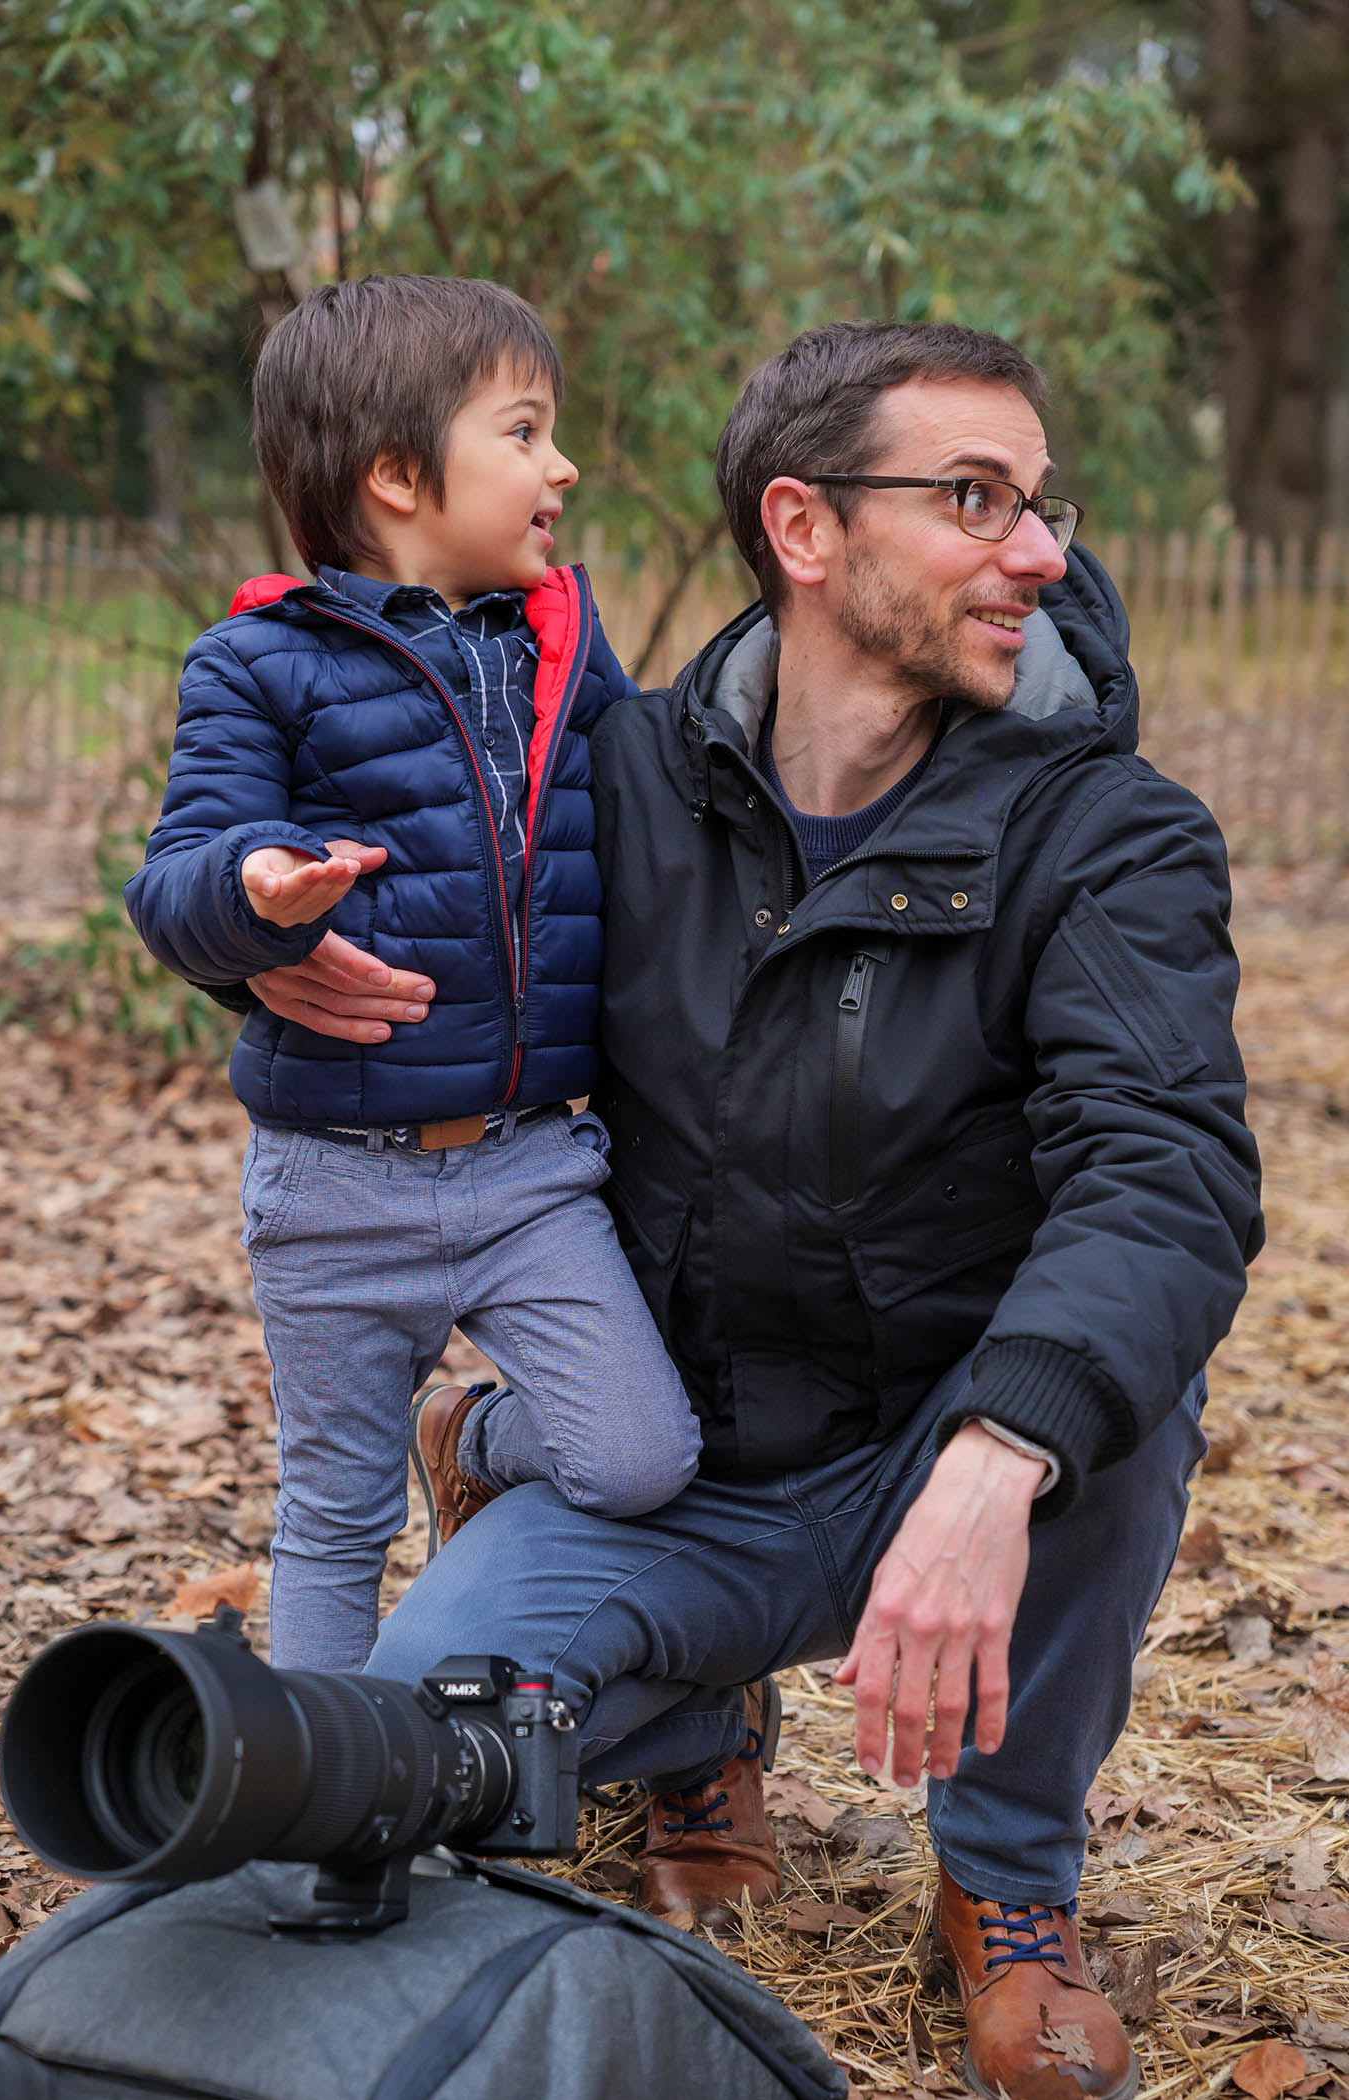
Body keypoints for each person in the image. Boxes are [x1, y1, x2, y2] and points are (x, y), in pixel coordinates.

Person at [244, 320, 1262, 2100]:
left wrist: (994, 1456)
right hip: (678, 1455)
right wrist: (267, 953)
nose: (1043, 551)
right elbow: (411, 899)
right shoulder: (616, 779)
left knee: (1118, 1400)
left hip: (934, 1460)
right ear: (804, 529)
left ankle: (1010, 1880)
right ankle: (683, 1711)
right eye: (974, 498)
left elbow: (1168, 1167)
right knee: (419, 1752)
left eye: (1041, 502)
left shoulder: (1106, 834)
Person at [124, 274, 700, 1675]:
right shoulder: (263, 663)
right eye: (521, 432)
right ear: (396, 475)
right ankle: (323, 1811)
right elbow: (181, 872)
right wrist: (257, 902)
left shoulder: (562, 641)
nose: (560, 465)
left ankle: (475, 1435)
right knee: (333, 1517)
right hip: (334, 1178)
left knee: (641, 1462)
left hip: (529, 1171)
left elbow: (661, 808)